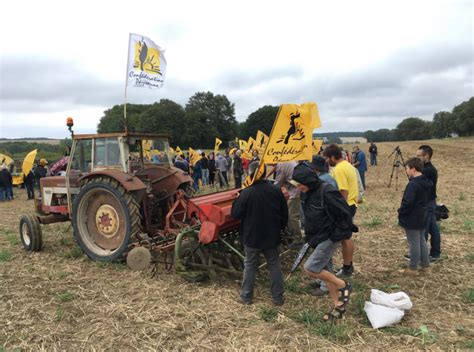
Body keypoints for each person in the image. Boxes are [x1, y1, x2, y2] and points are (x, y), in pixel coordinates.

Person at [291, 163, 353, 321]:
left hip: (329, 236)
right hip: (317, 236)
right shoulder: (307, 193)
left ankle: (343, 285)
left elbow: (344, 213)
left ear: (308, 183)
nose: (298, 187)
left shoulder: (327, 191)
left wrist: (336, 236)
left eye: (300, 184)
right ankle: (338, 305)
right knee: (327, 272)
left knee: (311, 267)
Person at [231, 161, 288, 306]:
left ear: (250, 173)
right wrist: (280, 228)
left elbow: (236, 214)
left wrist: (237, 198)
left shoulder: (247, 192)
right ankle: (278, 298)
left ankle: (246, 297)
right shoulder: (276, 190)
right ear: (264, 173)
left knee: (250, 264)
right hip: (272, 235)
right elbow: (284, 214)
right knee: (274, 264)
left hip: (252, 237)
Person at [323, 144, 358, 277]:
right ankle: (348, 266)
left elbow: (343, 190)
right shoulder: (348, 165)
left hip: (345, 205)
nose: (327, 161)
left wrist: (338, 208)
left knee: (345, 237)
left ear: (332, 157)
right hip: (351, 204)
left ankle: (347, 268)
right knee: (346, 237)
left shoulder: (339, 169)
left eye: (327, 158)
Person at [398, 157, 431, 273]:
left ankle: (412, 267)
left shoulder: (413, 185)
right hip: (423, 215)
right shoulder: (426, 182)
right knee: (421, 240)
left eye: (407, 168)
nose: (406, 170)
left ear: (413, 169)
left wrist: (401, 213)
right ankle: (425, 265)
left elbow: (407, 202)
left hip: (412, 217)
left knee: (414, 242)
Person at [416, 145, 441, 261]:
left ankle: (422, 255)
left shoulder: (428, 170)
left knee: (424, 229)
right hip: (430, 202)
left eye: (419, 156)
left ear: (426, 156)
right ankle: (435, 253)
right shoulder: (427, 169)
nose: (417, 158)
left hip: (427, 203)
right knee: (433, 229)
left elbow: (419, 185)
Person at [274, 161, 302, 243]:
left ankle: (297, 238)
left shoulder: (282, 164)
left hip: (295, 191)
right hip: (294, 188)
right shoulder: (285, 161)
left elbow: (278, 182)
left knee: (291, 216)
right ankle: (292, 234)